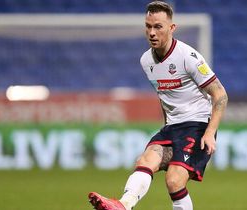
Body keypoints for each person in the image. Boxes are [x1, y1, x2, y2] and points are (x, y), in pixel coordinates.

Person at [88, 1, 228, 210]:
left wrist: (210, 132)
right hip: (173, 127)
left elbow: (220, 94)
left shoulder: (188, 57)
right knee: (144, 162)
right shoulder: (146, 61)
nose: (152, 32)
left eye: (158, 27)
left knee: (174, 181)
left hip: (198, 125)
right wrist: (166, 128)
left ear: (172, 28)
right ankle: (123, 205)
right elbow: (164, 97)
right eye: (148, 26)